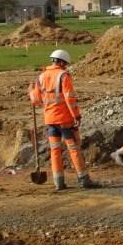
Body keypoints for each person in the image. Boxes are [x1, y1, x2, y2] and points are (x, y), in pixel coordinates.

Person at [29, 49, 98, 191]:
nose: (66, 67)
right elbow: (69, 98)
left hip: (50, 120)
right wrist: (76, 115)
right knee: (73, 149)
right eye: (65, 64)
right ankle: (84, 180)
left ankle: (58, 182)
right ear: (61, 63)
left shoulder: (41, 77)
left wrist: (30, 91)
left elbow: (36, 100)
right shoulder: (63, 75)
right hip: (65, 120)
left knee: (55, 151)